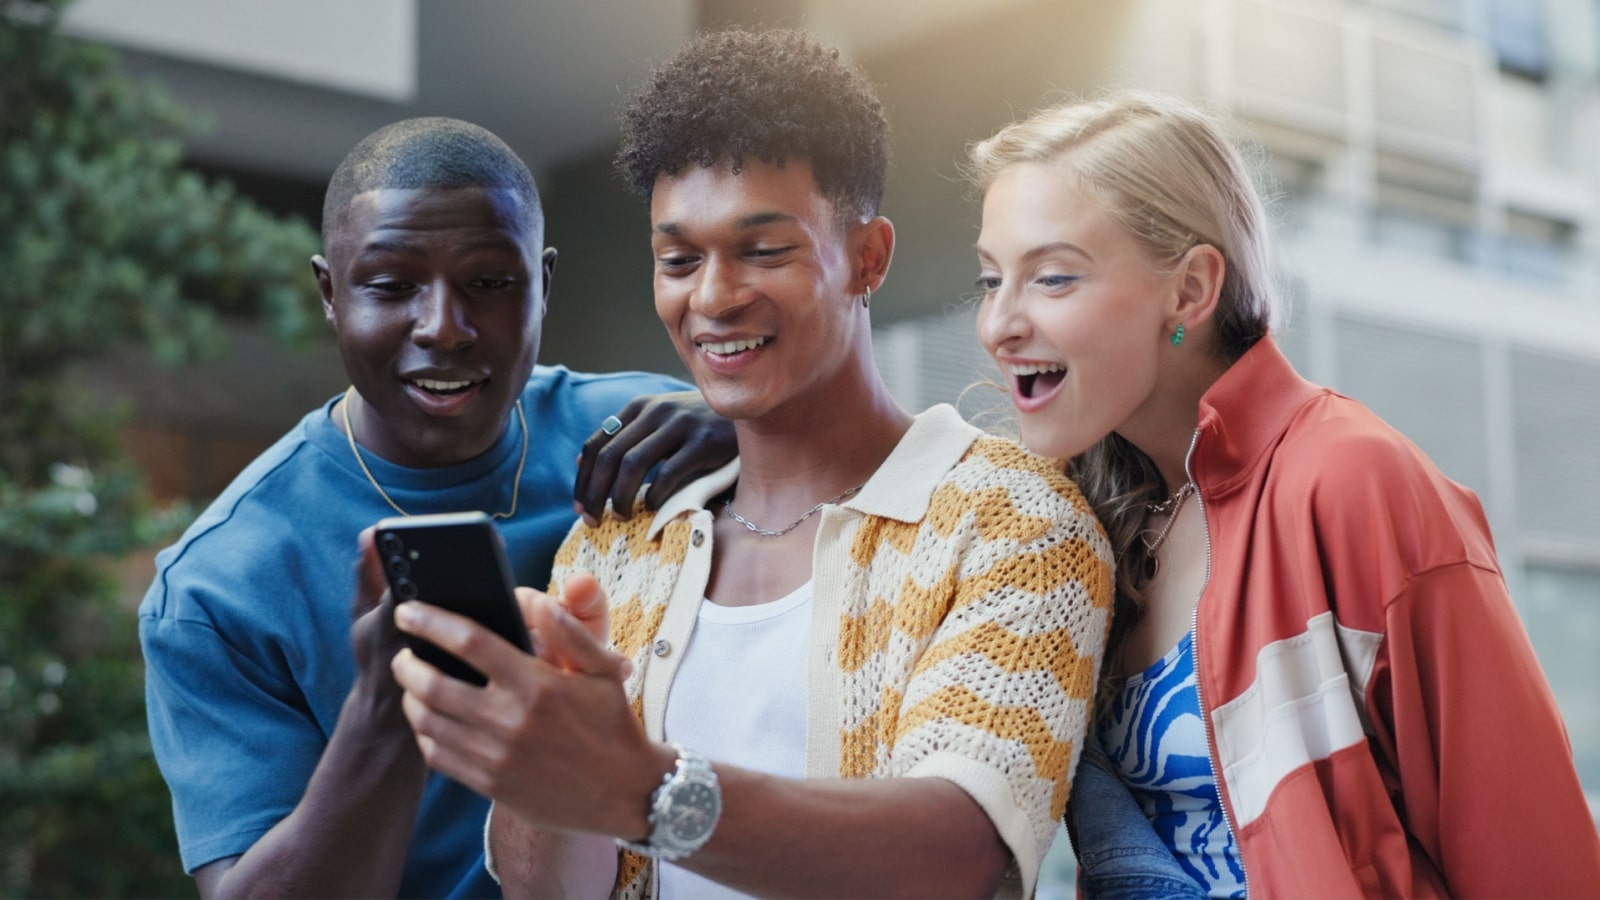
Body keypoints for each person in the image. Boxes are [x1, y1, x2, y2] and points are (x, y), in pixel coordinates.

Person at [386, 29, 1113, 899]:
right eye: (679, 259)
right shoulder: (618, 544)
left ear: (868, 256)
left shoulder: (1016, 524)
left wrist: (638, 785)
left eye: (764, 250)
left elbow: (950, 858)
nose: (713, 297)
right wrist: (546, 760)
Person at [966, 90, 1600, 897]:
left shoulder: (1351, 479)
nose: (998, 325)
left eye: (1053, 278)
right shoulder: (1073, 518)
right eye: (991, 280)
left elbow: (1537, 862)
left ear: (1190, 290)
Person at [139, 117, 736, 898]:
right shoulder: (220, 586)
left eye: (490, 283)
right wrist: (387, 711)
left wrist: (757, 423)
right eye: (391, 286)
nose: (443, 327)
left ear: (543, 284)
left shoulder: (651, 434)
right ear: (329, 292)